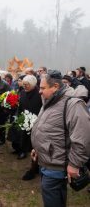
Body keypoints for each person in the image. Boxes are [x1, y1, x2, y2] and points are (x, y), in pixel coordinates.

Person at [31, 70, 90, 207]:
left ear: (55, 87)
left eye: (42, 88)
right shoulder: (49, 100)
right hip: (46, 160)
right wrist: (37, 148)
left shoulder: (72, 104)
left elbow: (83, 138)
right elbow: (47, 128)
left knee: (52, 200)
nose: (39, 91)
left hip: (57, 165)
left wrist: (75, 164)